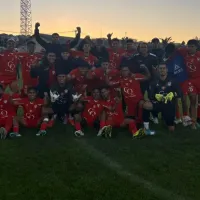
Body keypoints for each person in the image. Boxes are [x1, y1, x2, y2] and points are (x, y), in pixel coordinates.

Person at [143, 62, 182, 132]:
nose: (162, 70)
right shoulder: (154, 82)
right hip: (158, 103)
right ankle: (146, 128)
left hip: (169, 105)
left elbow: (180, 93)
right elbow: (150, 95)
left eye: (164, 68)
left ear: (167, 69)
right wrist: (156, 96)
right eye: (160, 68)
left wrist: (172, 94)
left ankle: (167, 120)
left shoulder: (173, 80)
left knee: (171, 129)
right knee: (146, 105)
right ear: (158, 70)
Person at [164, 43, 191, 126]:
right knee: (175, 100)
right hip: (175, 83)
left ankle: (186, 117)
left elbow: (186, 49)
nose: (170, 54)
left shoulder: (180, 54)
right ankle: (178, 117)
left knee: (184, 99)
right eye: (169, 53)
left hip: (184, 80)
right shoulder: (167, 60)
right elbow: (169, 73)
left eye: (172, 52)